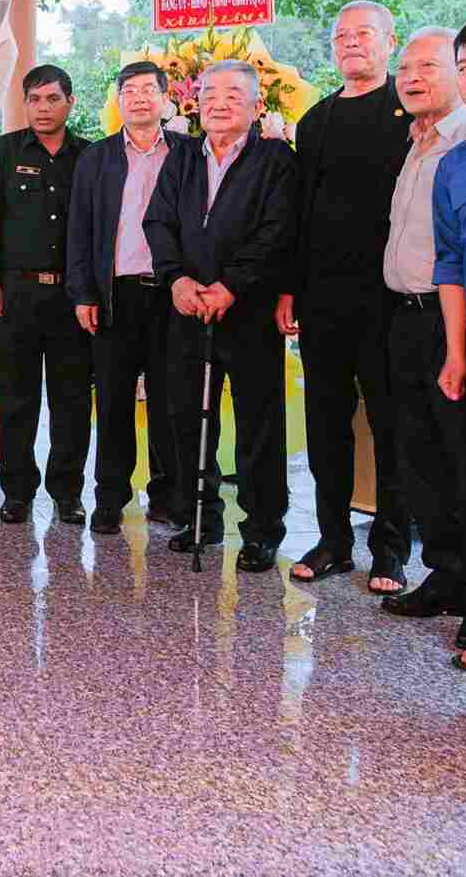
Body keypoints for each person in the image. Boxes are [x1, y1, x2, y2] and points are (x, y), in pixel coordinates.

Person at [375, 27, 466, 650]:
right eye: (406, 69)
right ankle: (446, 574)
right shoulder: (417, 141)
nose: (412, 78)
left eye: (428, 66)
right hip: (405, 316)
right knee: (419, 456)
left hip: (456, 322)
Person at [277, 1, 415, 589]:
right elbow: (299, 215)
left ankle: (391, 547)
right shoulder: (316, 120)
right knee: (325, 423)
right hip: (322, 298)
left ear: (389, 42)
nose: (351, 44)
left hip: (389, 299)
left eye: (363, 34)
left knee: (390, 424)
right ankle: (333, 540)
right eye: (341, 36)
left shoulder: (410, 109)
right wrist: (290, 288)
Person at [142, 61, 296, 567]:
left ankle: (262, 530)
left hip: (248, 312)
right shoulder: (183, 157)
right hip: (188, 308)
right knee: (186, 418)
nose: (219, 103)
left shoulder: (275, 159)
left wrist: (232, 285)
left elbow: (277, 230)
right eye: (209, 93)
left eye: (233, 94)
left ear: (256, 106)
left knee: (258, 424)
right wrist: (176, 279)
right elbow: (158, 221)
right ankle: (199, 519)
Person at [0, 65, 93, 526]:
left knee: (71, 401)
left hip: (74, 299)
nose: (43, 108)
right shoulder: (2, 152)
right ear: (24, 104)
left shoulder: (90, 157)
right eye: (34, 99)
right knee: (16, 400)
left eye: (53, 99)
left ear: (70, 102)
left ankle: (67, 493)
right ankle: (17, 492)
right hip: (15, 294)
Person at [66, 61, 193, 534]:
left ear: (165, 98)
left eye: (148, 90)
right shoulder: (96, 158)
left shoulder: (187, 153)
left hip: (171, 294)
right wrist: (83, 292)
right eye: (129, 91)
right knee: (113, 402)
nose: (139, 98)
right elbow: (79, 231)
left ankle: (168, 496)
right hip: (114, 294)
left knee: (169, 401)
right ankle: (110, 498)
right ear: (118, 101)